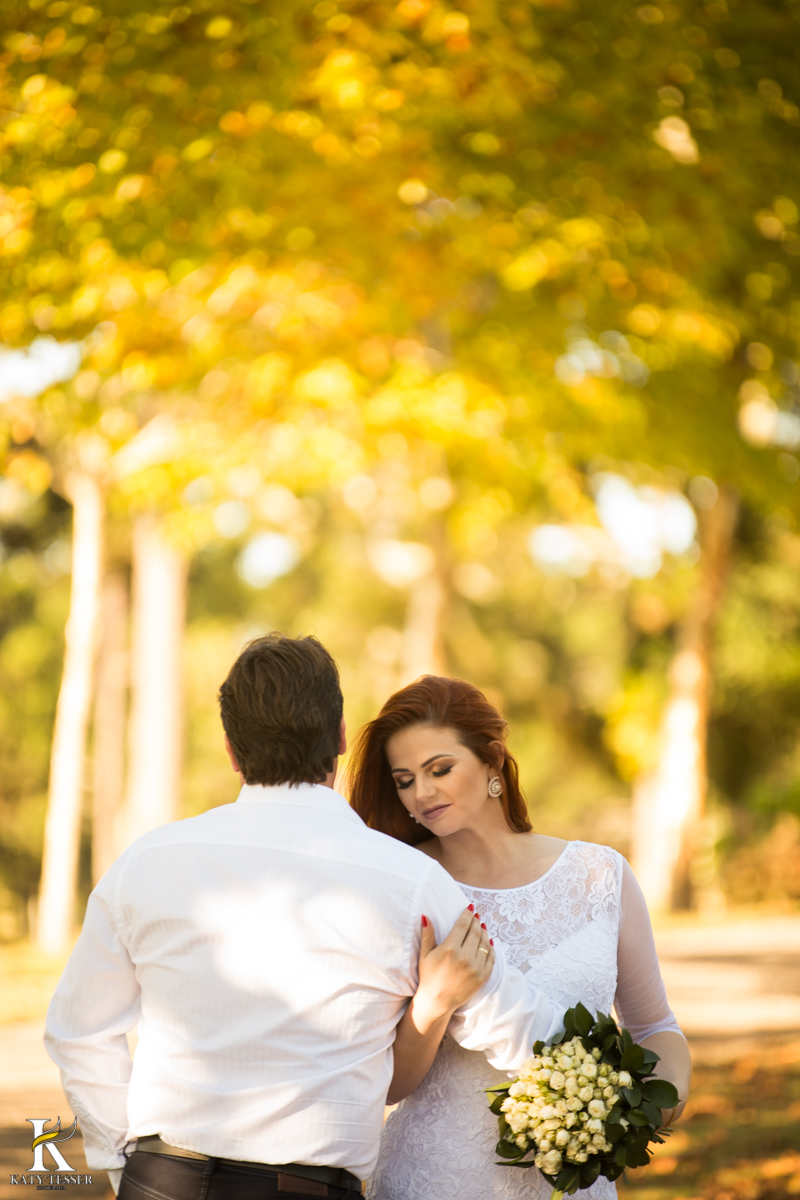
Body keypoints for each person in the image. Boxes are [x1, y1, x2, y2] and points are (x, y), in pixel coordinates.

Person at [45, 634, 565, 1200]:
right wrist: (613, 1091)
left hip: (161, 1178)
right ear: (340, 735)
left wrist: (126, 1165)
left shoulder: (147, 863)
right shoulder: (411, 882)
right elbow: (524, 1030)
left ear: (230, 748)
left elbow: (79, 1030)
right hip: (306, 1190)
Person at [348, 675, 692, 1200]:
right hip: (436, 1178)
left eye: (440, 769)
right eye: (404, 780)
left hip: (575, 1182)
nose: (422, 792)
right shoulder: (406, 887)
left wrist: (651, 1106)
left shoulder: (602, 874)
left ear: (492, 762)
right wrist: (434, 1004)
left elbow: (655, 1025)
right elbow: (388, 1084)